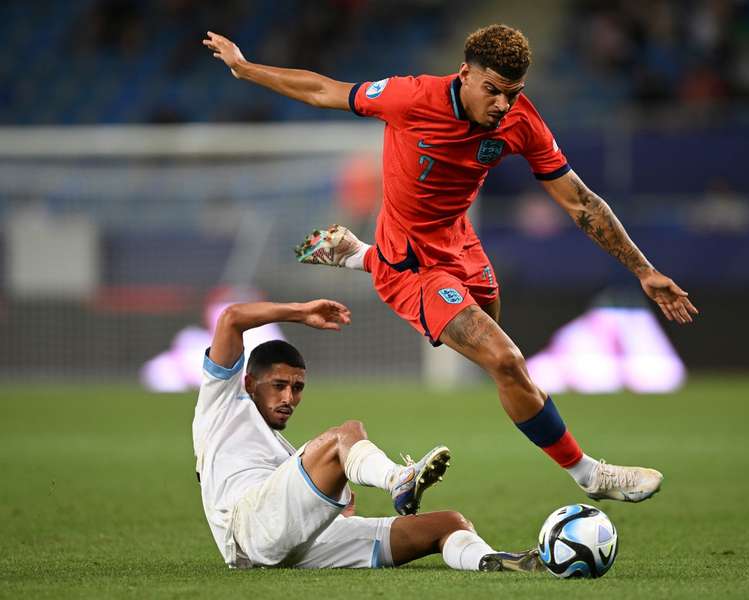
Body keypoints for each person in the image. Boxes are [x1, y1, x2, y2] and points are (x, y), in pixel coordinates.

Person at [203, 25, 699, 503]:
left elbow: (581, 203)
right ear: (464, 73)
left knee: (502, 358)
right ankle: (589, 474)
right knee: (505, 360)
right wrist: (245, 69)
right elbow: (323, 90)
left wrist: (643, 269)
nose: (502, 104)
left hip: (462, 247)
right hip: (415, 267)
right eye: (493, 90)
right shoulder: (411, 97)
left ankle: (361, 257)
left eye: (513, 92)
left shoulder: (520, 119)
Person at [193, 299, 541, 571]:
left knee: (448, 523)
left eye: (297, 388)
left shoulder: (277, 449)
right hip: (250, 529)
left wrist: (333, 510)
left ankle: (488, 560)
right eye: (279, 386)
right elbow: (231, 318)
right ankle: (397, 478)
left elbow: (292, 500)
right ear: (250, 383)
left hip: (296, 544)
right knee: (345, 435)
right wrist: (301, 313)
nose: (289, 398)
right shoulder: (222, 404)